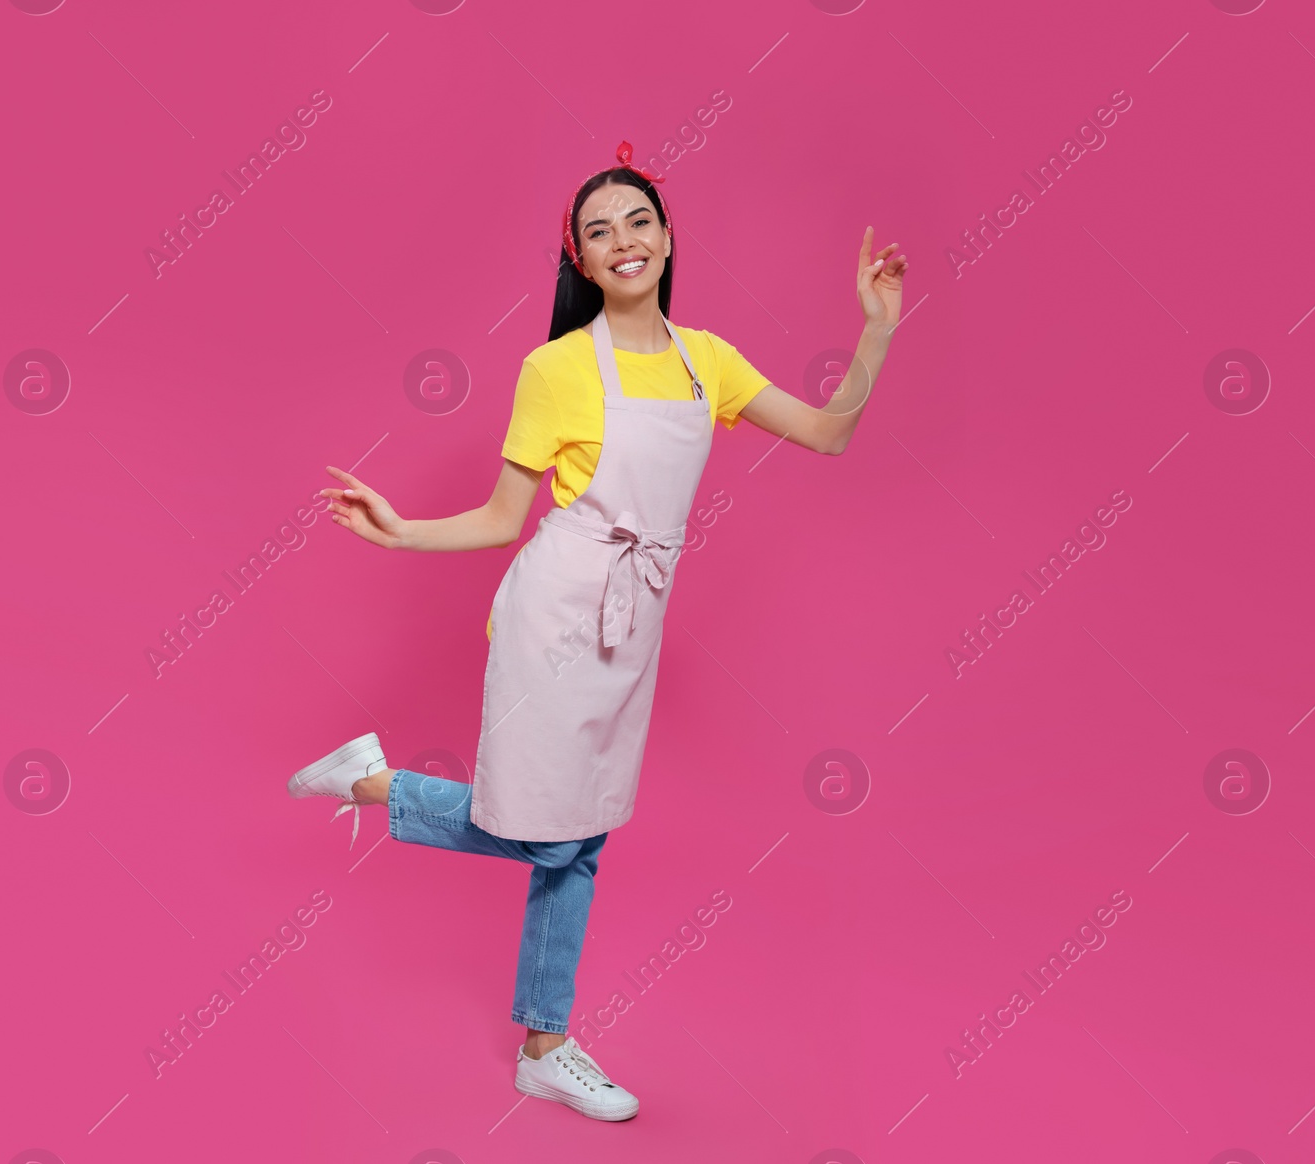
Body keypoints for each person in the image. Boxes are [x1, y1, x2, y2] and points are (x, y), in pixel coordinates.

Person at [287, 141, 907, 1121]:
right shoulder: (556, 368)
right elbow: (503, 517)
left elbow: (828, 433)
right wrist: (401, 534)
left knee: (581, 835)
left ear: (666, 239)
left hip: (635, 620)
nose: (623, 241)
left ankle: (539, 1037)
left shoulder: (712, 362)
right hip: (558, 611)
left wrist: (875, 334)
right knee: (551, 833)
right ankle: (381, 799)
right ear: (578, 260)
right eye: (598, 231)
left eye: (638, 222)